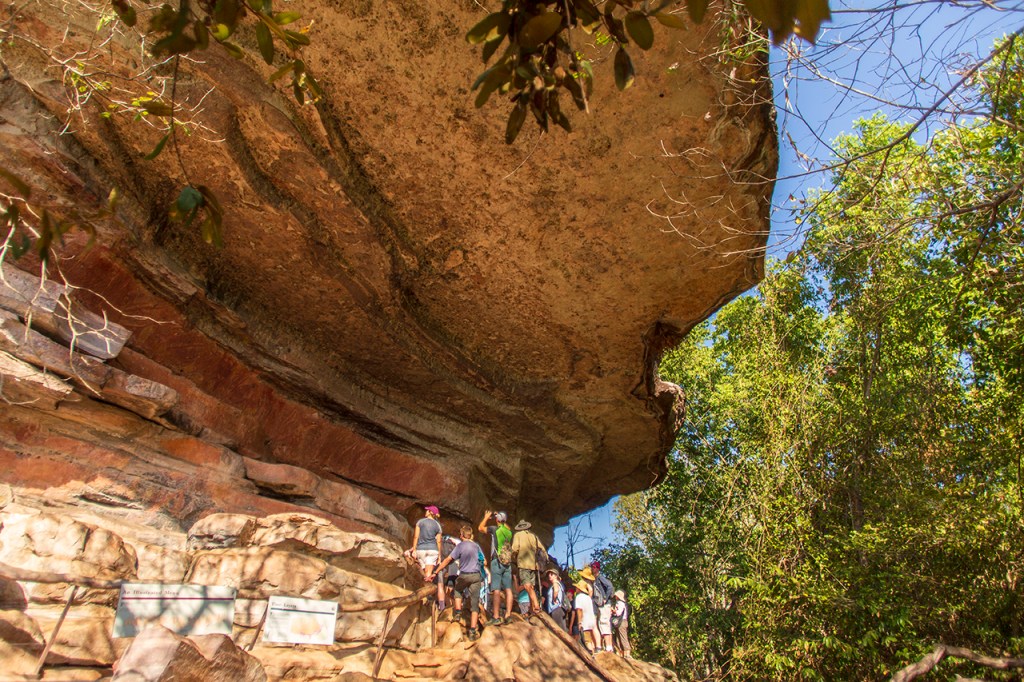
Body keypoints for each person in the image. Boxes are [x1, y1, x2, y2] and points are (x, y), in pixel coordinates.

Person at [428, 525, 485, 641]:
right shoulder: (476, 546)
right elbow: (484, 561)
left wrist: (436, 571)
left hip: (464, 575)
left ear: (462, 535)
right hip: (476, 576)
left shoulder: (460, 546)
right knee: (474, 604)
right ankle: (473, 631)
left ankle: (458, 613)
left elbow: (448, 560)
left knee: (457, 591)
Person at [478, 510, 513, 625]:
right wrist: (500, 518)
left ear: (497, 520)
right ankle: (508, 615)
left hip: (496, 561)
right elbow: (507, 526)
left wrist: (486, 517)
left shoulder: (494, 529)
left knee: (496, 589)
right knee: (508, 589)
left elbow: (480, 528)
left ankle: (496, 616)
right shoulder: (509, 532)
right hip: (507, 563)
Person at [409, 505, 443, 606]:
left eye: (427, 510)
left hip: (421, 549)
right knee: (428, 573)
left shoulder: (420, 522)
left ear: (430, 512)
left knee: (424, 573)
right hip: (432, 550)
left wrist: (414, 549)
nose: (426, 511)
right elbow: (439, 541)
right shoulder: (437, 525)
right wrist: (439, 555)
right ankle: (427, 595)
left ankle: (424, 594)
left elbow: (416, 536)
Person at [510, 520, 541, 613]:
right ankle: (532, 608)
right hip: (533, 564)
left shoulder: (518, 535)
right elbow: (539, 548)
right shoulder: (533, 536)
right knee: (531, 586)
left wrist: (513, 557)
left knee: (527, 585)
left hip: (523, 563)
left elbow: (515, 548)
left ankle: (536, 604)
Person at [589, 561, 615, 652]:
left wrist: (605, 598)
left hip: (604, 605)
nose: (592, 569)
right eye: (592, 567)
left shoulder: (600, 578)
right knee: (604, 624)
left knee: (604, 623)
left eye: (594, 567)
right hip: (601, 605)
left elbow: (610, 586)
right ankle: (608, 647)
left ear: (597, 568)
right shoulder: (595, 579)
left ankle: (608, 647)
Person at [573, 580, 598, 653]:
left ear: (579, 589)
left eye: (577, 587)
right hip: (591, 620)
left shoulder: (579, 597)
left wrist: (579, 622)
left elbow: (579, 610)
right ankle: (594, 651)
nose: (576, 589)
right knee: (590, 638)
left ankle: (591, 654)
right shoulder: (588, 597)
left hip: (585, 622)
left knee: (586, 640)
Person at [611, 590, 632, 659]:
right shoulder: (623, 603)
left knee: (622, 637)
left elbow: (618, 613)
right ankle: (623, 653)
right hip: (623, 621)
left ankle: (627, 653)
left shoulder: (620, 603)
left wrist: (613, 611)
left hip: (621, 622)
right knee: (620, 637)